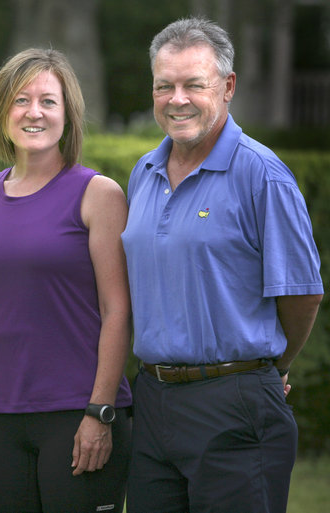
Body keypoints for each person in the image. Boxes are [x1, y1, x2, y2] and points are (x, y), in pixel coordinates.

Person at [121, 17, 324, 513]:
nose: (177, 99)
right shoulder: (143, 174)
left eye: (194, 84)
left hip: (234, 407)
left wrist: (267, 369)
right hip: (152, 404)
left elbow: (302, 293)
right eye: (164, 86)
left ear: (228, 87)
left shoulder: (263, 175)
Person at [0, 48, 133, 512]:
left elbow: (118, 310)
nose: (34, 112)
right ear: (3, 112)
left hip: (79, 416)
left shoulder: (99, 195)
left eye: (48, 101)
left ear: (68, 114)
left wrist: (100, 411)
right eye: (21, 100)